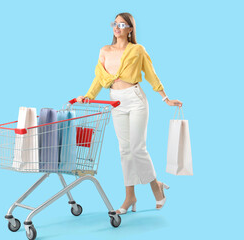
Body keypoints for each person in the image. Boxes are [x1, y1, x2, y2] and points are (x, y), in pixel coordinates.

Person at [76, 12, 183, 215]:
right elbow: (99, 78)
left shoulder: (137, 50)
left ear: (130, 29)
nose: (117, 27)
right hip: (115, 101)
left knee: (137, 149)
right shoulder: (104, 51)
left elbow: (151, 74)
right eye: (115, 24)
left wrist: (165, 98)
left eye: (122, 24)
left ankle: (155, 187)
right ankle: (130, 196)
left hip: (135, 100)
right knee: (124, 150)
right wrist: (88, 95)